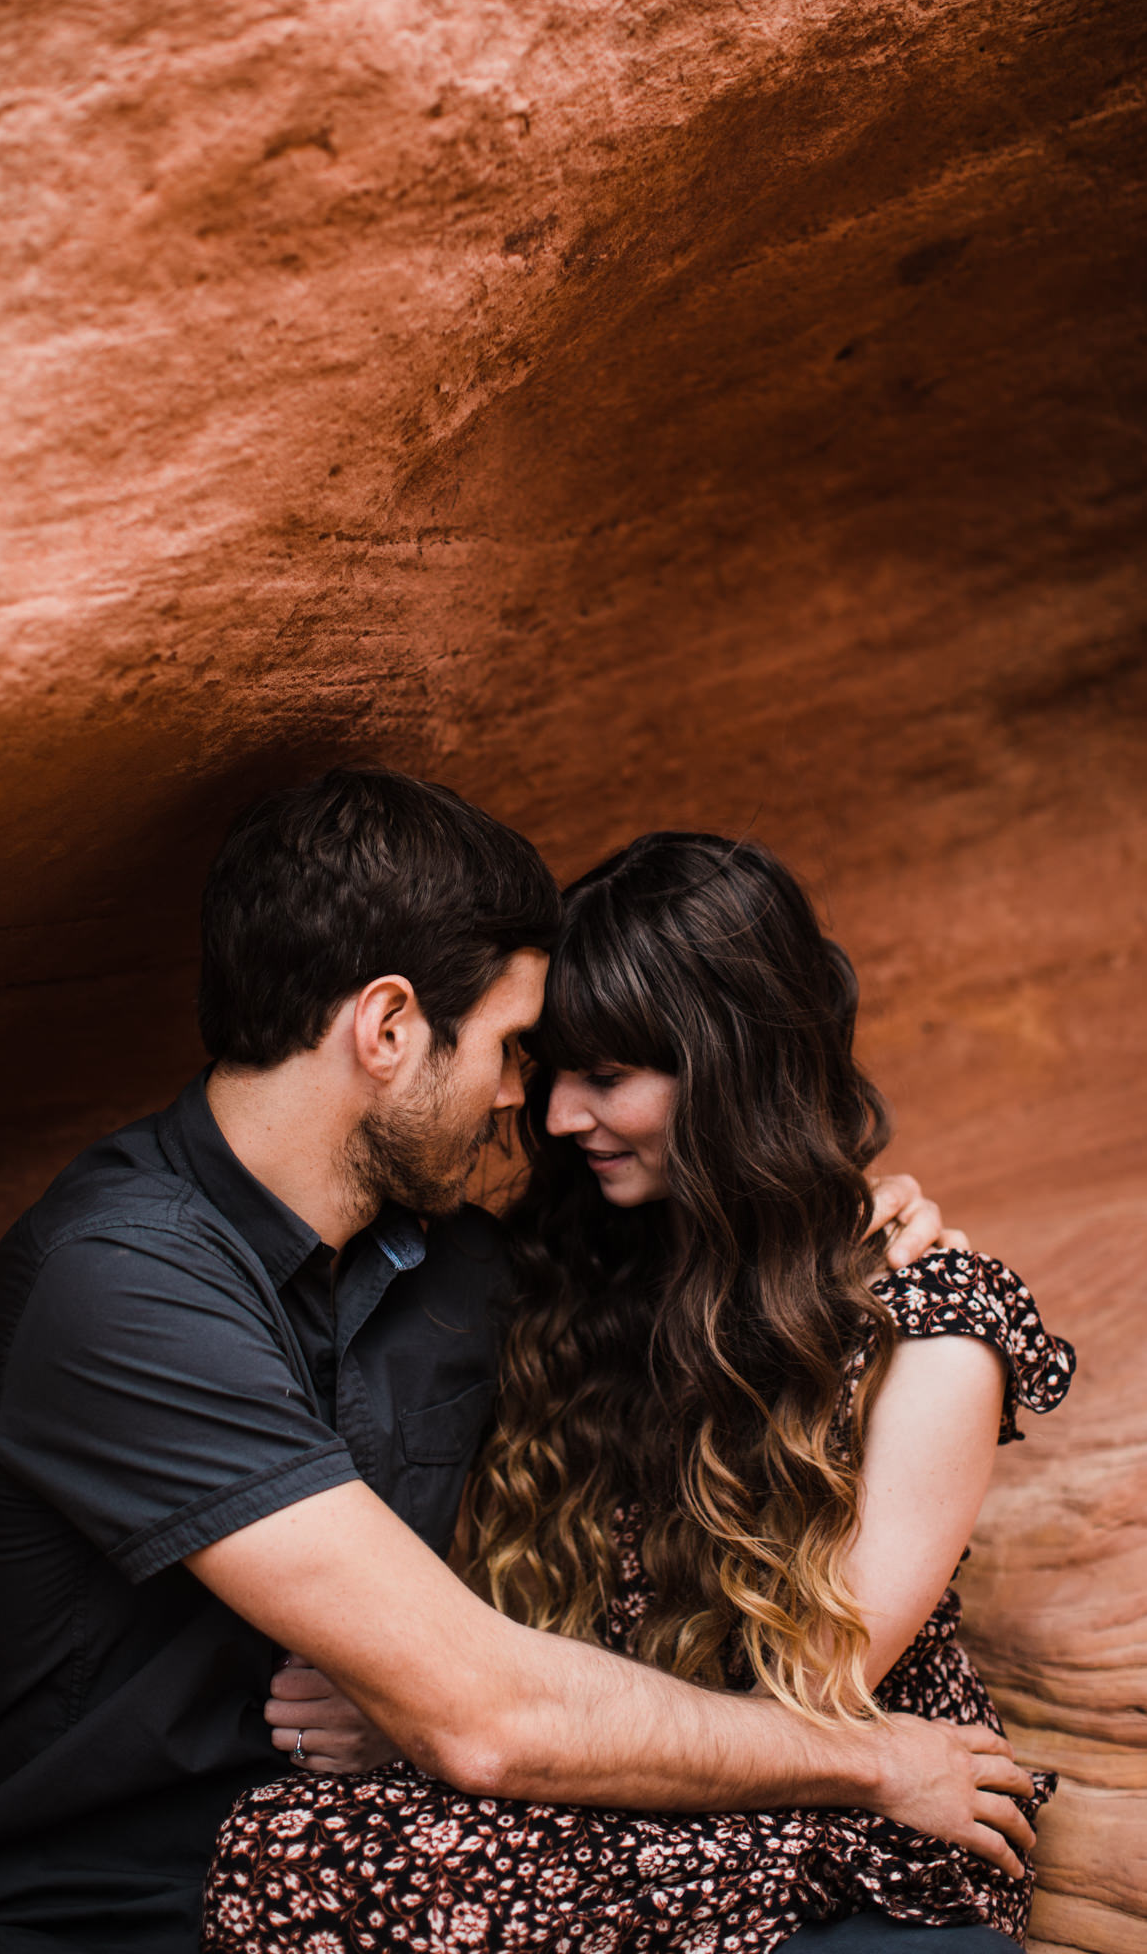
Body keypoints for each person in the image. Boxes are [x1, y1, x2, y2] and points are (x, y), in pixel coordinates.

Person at [0, 773, 1036, 1954]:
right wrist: (868, 1760)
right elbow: (481, 1710)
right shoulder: (118, 1279)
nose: (524, 1100)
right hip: (130, 1902)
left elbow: (708, 1295)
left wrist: (845, 1236)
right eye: (515, 1049)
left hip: (429, 1842)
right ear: (386, 1030)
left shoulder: (458, 1270)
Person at [200, 828, 1074, 1954]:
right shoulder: (580, 1270)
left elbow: (811, 1694)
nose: (557, 1114)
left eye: (608, 1076)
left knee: (329, 1871)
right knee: (277, 1849)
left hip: (839, 1808)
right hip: (603, 1785)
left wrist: (461, 1720)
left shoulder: (933, 1320)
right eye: (553, 1066)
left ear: (733, 1068)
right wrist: (436, 1705)